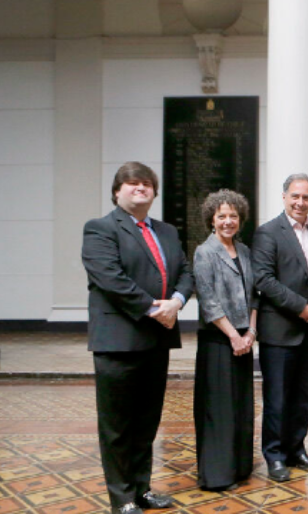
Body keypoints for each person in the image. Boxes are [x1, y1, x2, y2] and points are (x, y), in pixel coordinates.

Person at [82, 161, 194, 514]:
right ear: (117, 191)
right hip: (118, 341)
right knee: (117, 425)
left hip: (156, 341)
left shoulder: (167, 231)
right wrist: (152, 308)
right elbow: (110, 278)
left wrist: (176, 302)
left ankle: (142, 489)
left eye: (147, 183)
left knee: (147, 422)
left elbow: (186, 273)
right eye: (132, 183)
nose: (140, 188)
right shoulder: (100, 229)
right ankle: (122, 498)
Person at [251, 174, 308, 482]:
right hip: (280, 330)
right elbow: (264, 279)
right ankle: (275, 456)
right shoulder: (268, 233)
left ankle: (296, 449)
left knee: (304, 395)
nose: (300, 202)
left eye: (306, 197)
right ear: (284, 196)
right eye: (295, 196)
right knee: (277, 398)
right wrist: (300, 307)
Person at [192, 190, 258, 491]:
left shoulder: (244, 251)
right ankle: (217, 475)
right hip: (219, 342)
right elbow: (208, 302)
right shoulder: (204, 252)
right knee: (218, 410)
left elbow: (255, 296)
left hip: (244, 339)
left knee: (240, 407)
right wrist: (234, 336)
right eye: (222, 216)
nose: (228, 221)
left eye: (233, 216)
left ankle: (240, 468)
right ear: (212, 219)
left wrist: (250, 334)